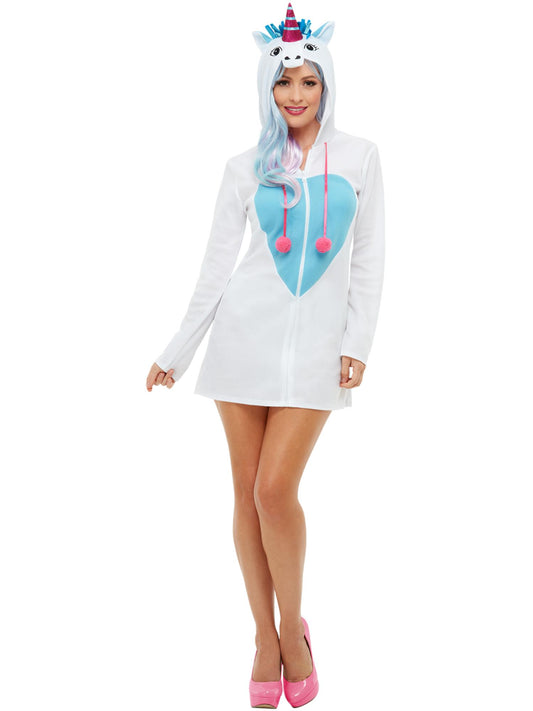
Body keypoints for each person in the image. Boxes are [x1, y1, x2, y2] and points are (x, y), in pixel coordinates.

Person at [146, 3, 385, 707]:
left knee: (274, 490)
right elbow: (217, 268)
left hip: (316, 356)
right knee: (246, 495)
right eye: (283, 83)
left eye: (308, 82)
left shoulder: (361, 157)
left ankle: (292, 629)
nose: (295, 95)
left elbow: (369, 258)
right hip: (240, 344)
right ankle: (261, 636)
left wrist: (357, 343)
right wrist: (178, 350)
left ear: (326, 84)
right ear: (266, 87)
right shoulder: (243, 168)